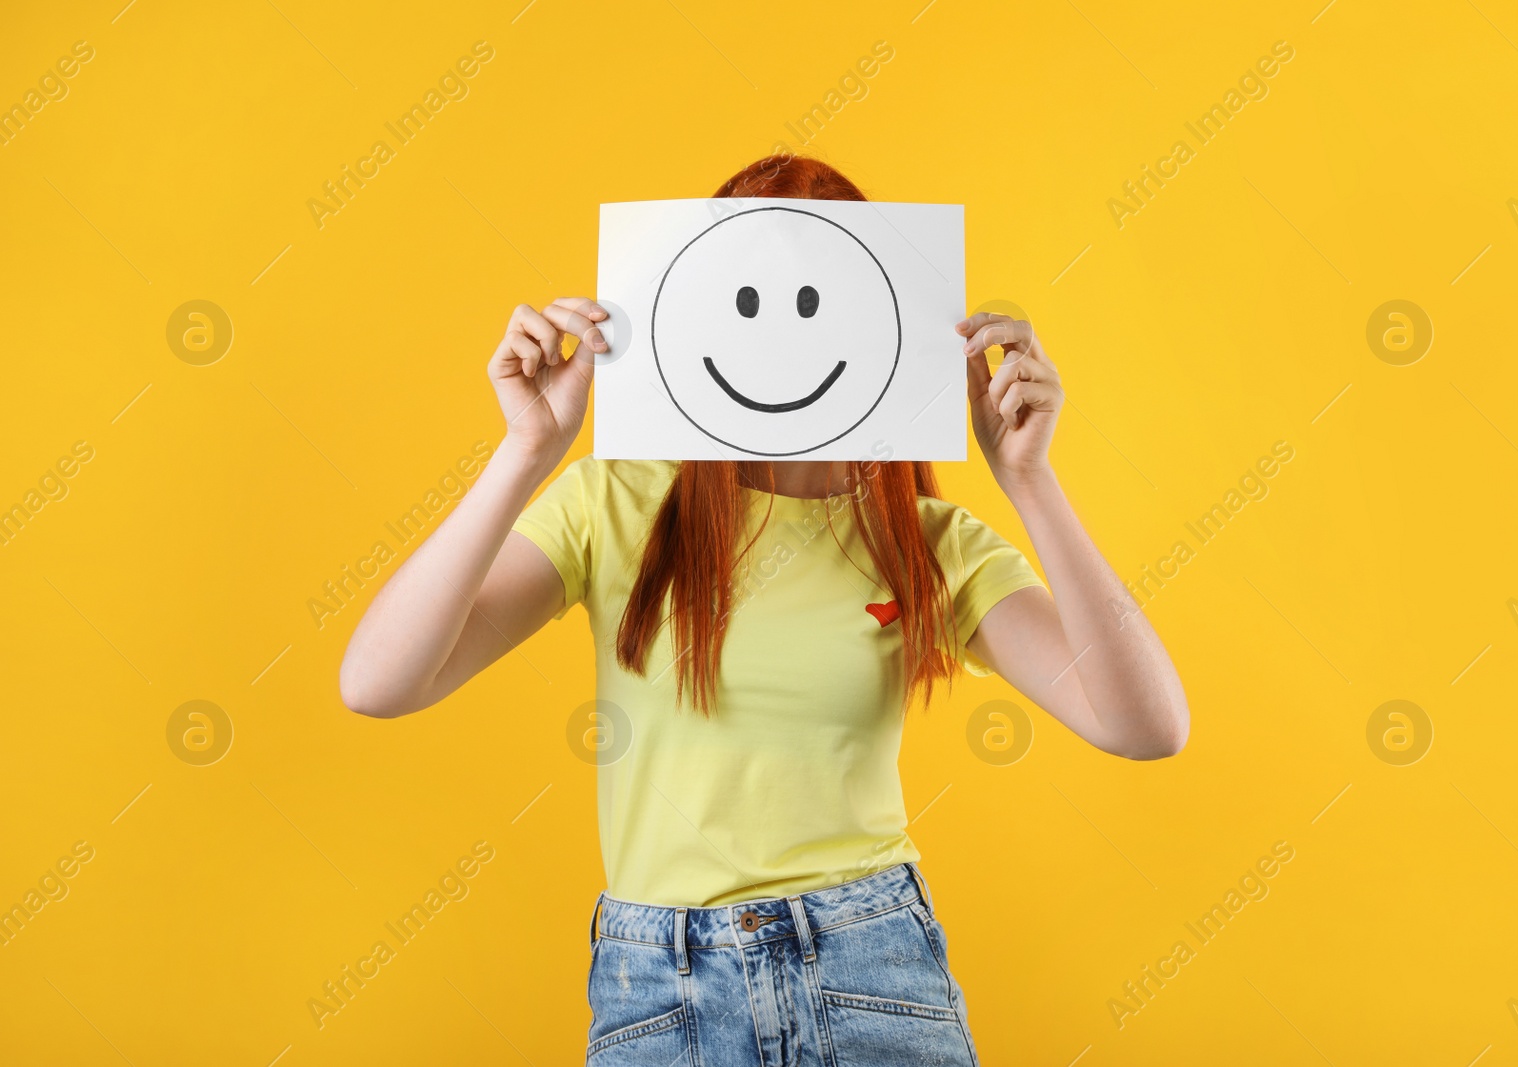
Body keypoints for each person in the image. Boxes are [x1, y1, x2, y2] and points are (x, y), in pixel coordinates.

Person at [339, 155, 1188, 1066]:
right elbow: (379, 682)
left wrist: (1030, 479)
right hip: (657, 984)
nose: (780, 332)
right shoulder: (613, 505)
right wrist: (525, 452)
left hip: (873, 965)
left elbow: (1146, 724)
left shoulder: (928, 542)